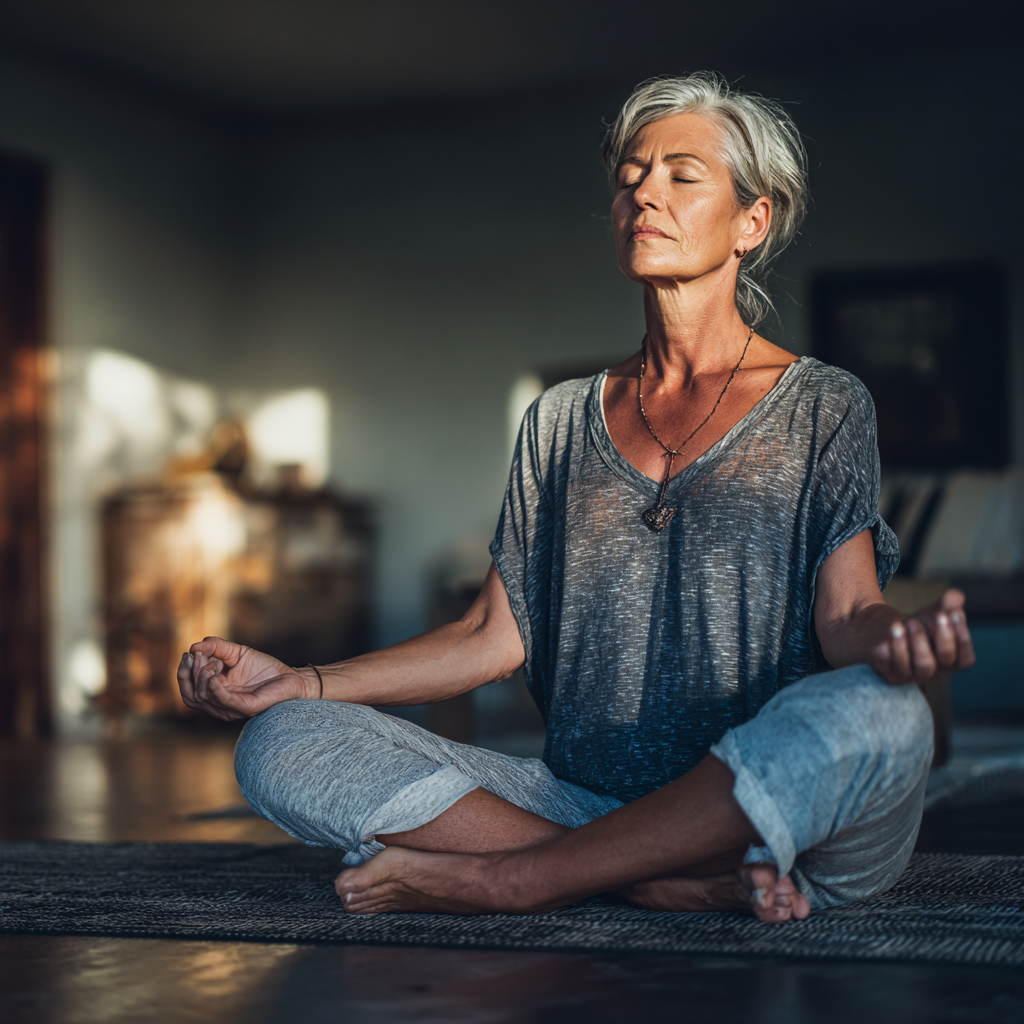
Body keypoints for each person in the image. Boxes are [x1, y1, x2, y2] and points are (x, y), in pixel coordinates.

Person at [178, 73, 975, 923]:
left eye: (680, 174)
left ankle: (513, 878)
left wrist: (905, 640)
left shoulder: (826, 404)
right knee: (279, 742)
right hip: (577, 802)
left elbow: (850, 614)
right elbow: (492, 636)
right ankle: (644, 878)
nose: (643, 193)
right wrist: (301, 682)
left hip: (776, 819)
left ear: (753, 220)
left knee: (885, 717)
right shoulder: (559, 420)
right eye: (631, 174)